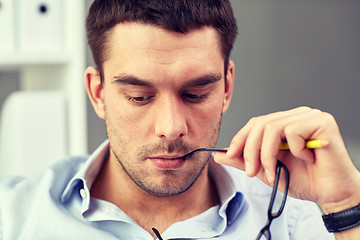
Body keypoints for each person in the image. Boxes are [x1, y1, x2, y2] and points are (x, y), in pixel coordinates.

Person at [1, 0, 360, 239]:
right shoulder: (13, 217)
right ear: (98, 93)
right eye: (139, 97)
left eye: (196, 94)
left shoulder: (301, 220)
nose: (171, 127)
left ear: (227, 86)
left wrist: (346, 205)